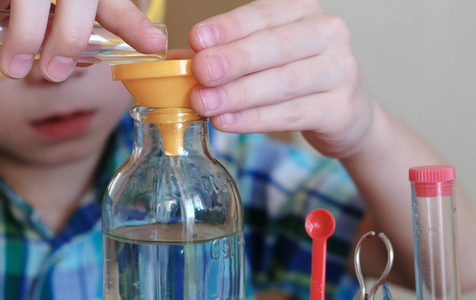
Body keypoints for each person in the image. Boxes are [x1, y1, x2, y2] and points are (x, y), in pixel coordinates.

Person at [1, 0, 476, 299]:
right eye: (8, 28)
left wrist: (366, 131)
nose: (55, 68)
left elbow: (459, 270)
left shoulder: (242, 174)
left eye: (94, 28)